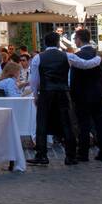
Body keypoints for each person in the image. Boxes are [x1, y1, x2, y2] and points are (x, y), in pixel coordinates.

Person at [28, 32, 82, 166]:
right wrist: (97, 59)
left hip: (46, 92)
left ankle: (41, 155)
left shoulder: (38, 58)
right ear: (58, 43)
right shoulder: (67, 55)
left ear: (45, 43)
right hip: (63, 91)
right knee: (67, 123)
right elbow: (84, 64)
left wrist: (35, 94)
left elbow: (34, 80)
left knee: (42, 123)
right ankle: (71, 156)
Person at [69, 28, 102, 163]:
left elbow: (74, 79)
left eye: (75, 39)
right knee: (100, 123)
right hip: (98, 95)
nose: (75, 41)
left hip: (82, 96)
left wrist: (73, 95)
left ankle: (83, 153)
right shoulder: (100, 56)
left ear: (79, 39)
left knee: (83, 125)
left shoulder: (77, 56)